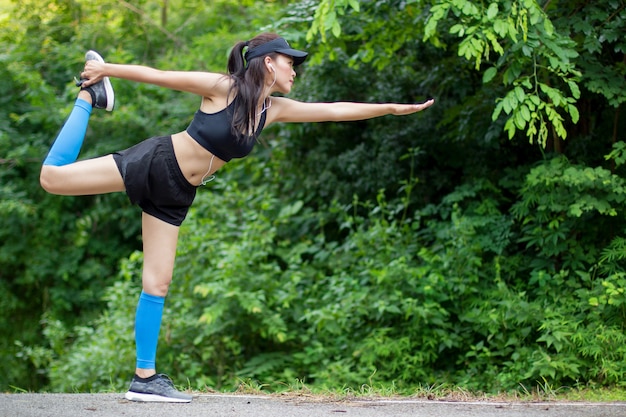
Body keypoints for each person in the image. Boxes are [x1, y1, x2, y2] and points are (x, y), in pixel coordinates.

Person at [39, 32, 435, 403]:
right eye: (289, 62)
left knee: (157, 283)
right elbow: (160, 76)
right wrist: (106, 71)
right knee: (52, 179)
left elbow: (332, 111)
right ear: (267, 64)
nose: (295, 70)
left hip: (178, 192)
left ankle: (145, 379)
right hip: (157, 163)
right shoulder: (223, 88)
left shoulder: (271, 109)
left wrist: (392, 109)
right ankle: (90, 99)